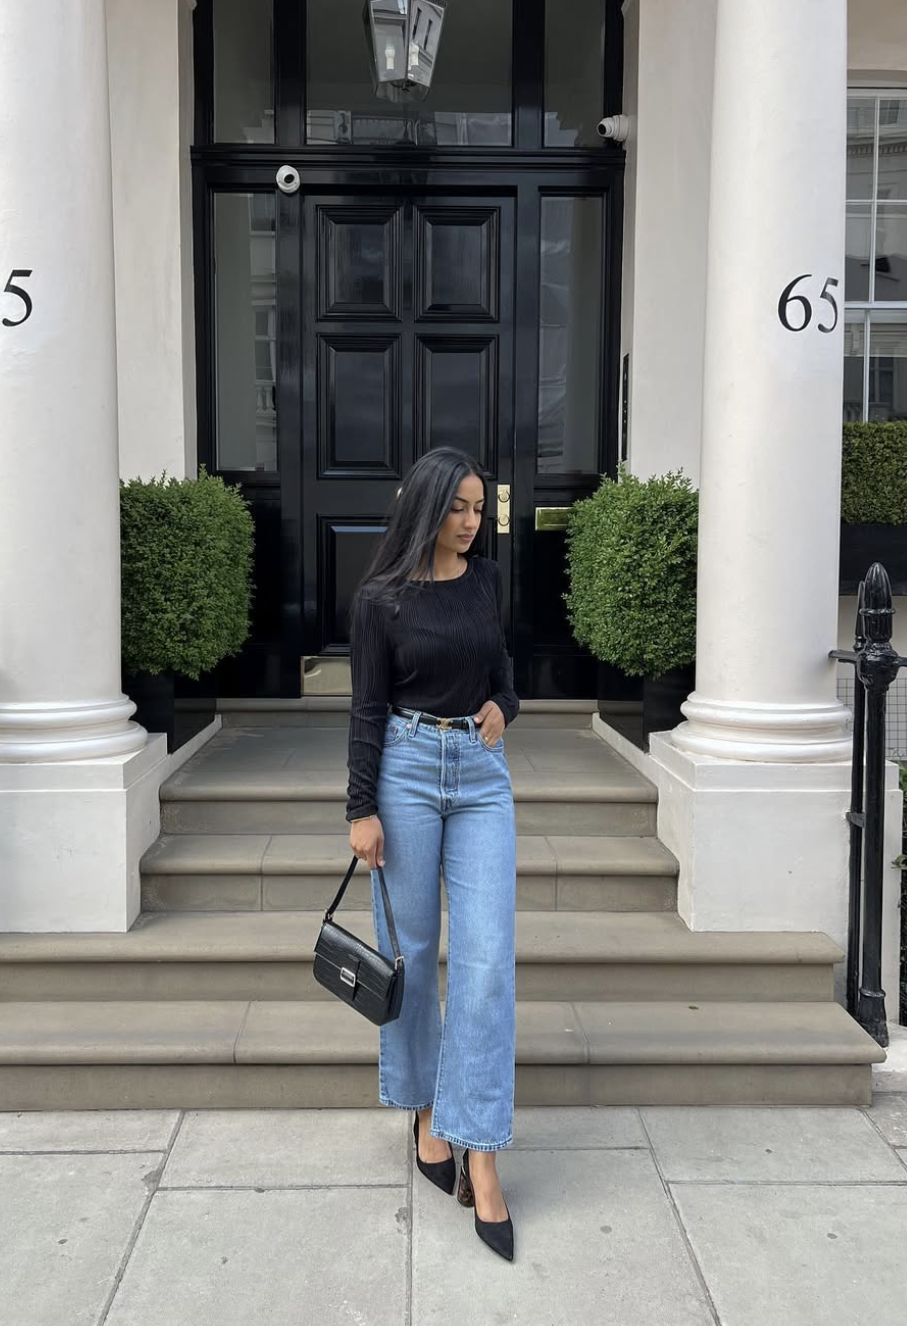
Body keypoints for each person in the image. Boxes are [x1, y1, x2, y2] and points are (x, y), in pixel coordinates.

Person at [346, 447, 520, 1262]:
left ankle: (479, 1148)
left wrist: (503, 707)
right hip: (407, 774)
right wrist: (361, 808)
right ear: (427, 506)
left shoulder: (483, 582)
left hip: (480, 777)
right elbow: (367, 709)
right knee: (410, 954)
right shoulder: (381, 599)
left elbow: (504, 670)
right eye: (459, 507)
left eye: (480, 508)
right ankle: (421, 1107)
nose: (471, 520)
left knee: (484, 961)